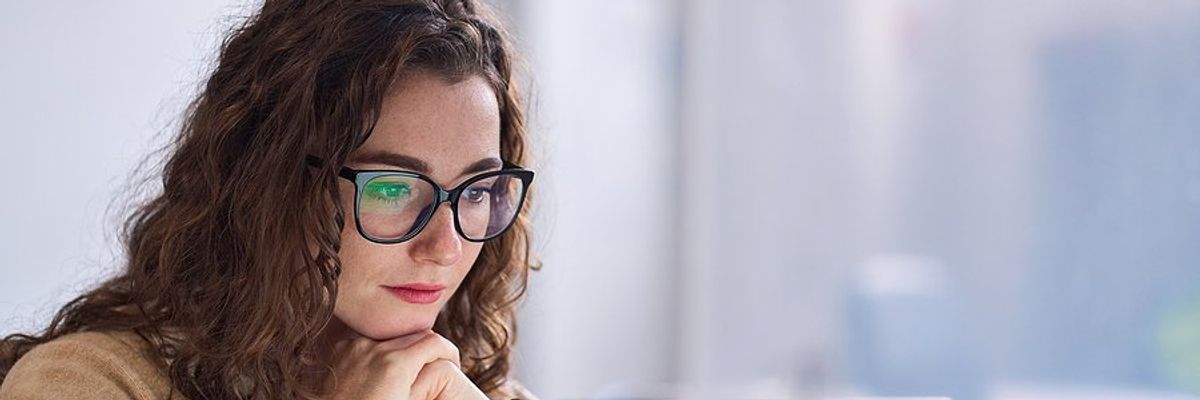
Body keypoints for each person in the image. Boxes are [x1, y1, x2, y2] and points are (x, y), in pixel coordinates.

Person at [0, 0, 539, 398]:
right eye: (394, 188)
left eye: (478, 190)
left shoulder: (479, 390)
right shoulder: (83, 383)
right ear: (271, 183)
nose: (445, 248)